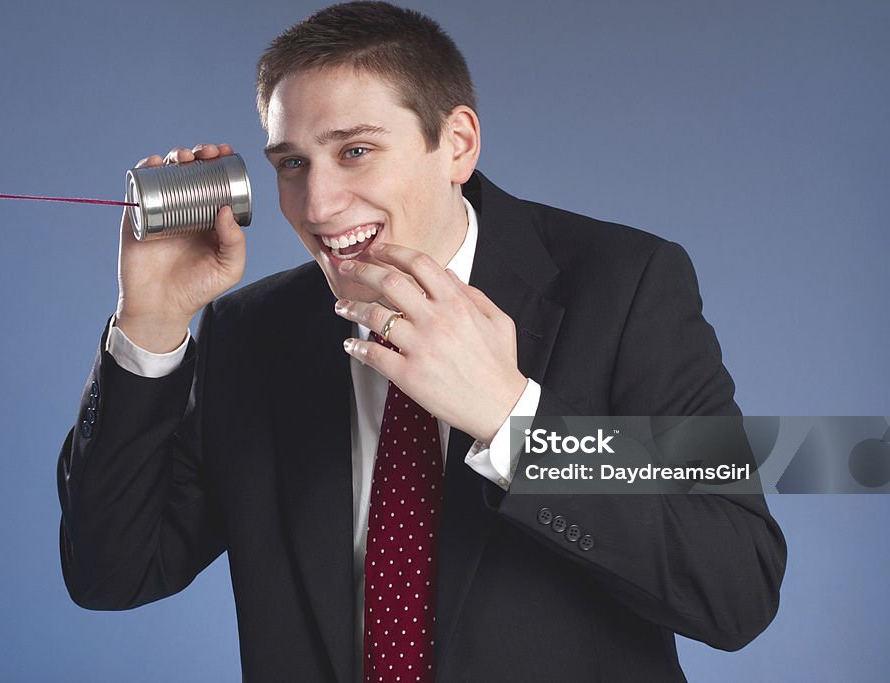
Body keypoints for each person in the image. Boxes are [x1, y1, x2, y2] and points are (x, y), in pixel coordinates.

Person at [58, 2, 786, 681]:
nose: (317, 205)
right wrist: (150, 322)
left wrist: (514, 421)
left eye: (355, 151)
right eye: (291, 163)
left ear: (457, 144)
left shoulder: (626, 289)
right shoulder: (250, 334)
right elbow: (111, 573)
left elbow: (736, 589)